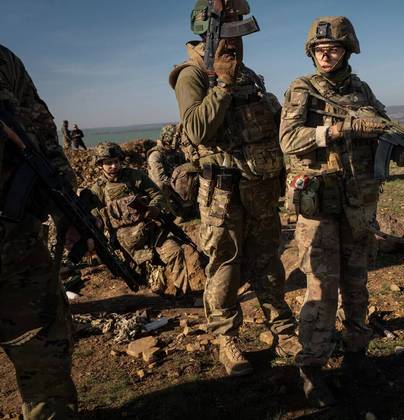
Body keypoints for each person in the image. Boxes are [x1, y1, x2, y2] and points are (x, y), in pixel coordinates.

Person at [170, 0, 300, 376]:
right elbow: (196, 130)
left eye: (240, 33)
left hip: (259, 188)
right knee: (225, 266)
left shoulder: (250, 75)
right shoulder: (192, 75)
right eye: (228, 34)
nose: (237, 43)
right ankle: (227, 338)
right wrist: (222, 85)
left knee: (268, 262)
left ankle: (283, 329)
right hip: (222, 194)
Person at [279, 16, 391, 406]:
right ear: (312, 53)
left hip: (358, 202)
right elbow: (289, 140)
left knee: (357, 280)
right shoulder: (302, 88)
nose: (326, 55)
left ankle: (357, 350)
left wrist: (385, 133)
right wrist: (334, 131)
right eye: (320, 49)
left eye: (334, 49)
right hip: (319, 204)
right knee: (322, 287)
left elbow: (383, 124)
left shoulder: (360, 88)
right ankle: (312, 367)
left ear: (348, 51)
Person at [0, 44, 78, 419]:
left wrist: (68, 206)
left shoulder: (4, 60)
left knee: (44, 345)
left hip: (14, 240)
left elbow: (43, 134)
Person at [87, 142, 207, 296]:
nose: (113, 166)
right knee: (138, 277)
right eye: (108, 163)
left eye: (116, 162)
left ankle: (183, 294)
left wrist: (154, 208)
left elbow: (157, 194)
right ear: (100, 165)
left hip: (151, 230)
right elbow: (93, 215)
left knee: (175, 252)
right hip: (127, 243)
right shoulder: (98, 189)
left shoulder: (135, 176)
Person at [147, 123, 193, 218]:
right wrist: (177, 185)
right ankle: (172, 212)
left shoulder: (177, 152)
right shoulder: (155, 155)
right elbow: (160, 179)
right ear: (167, 139)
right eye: (177, 138)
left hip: (177, 187)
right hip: (164, 190)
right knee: (161, 185)